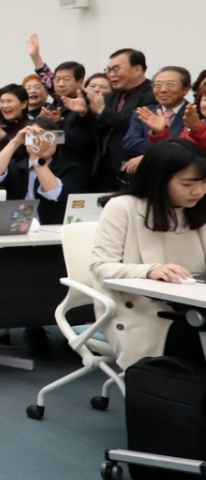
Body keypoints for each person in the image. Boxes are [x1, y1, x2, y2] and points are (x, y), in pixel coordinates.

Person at [89, 138, 206, 369]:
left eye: (204, 182)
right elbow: (100, 267)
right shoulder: (123, 207)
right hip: (141, 311)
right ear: (160, 180)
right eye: (187, 184)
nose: (199, 191)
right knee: (193, 346)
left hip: (194, 305)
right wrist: (149, 271)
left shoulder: (199, 207)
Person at [66, 48, 154, 191]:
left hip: (134, 165)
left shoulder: (152, 94)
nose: (111, 75)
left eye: (116, 69)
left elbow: (134, 124)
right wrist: (84, 113)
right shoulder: (113, 95)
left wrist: (103, 111)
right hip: (104, 165)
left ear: (137, 69)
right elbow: (99, 126)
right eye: (108, 70)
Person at [0, 118, 90, 225]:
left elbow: (55, 194)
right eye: (35, 137)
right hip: (15, 226)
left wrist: (36, 158)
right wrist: (15, 142)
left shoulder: (70, 168)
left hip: (51, 228)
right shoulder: (16, 166)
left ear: (57, 142)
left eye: (48, 137)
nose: (42, 142)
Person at [125, 66, 192, 163]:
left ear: (186, 89)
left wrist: (148, 155)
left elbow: (190, 146)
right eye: (157, 85)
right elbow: (130, 143)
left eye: (170, 84)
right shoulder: (143, 112)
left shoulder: (196, 113)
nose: (163, 90)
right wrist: (166, 147)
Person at [149, 81, 206, 149]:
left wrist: (198, 128)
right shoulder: (191, 128)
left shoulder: (196, 126)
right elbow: (174, 152)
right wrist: (161, 133)